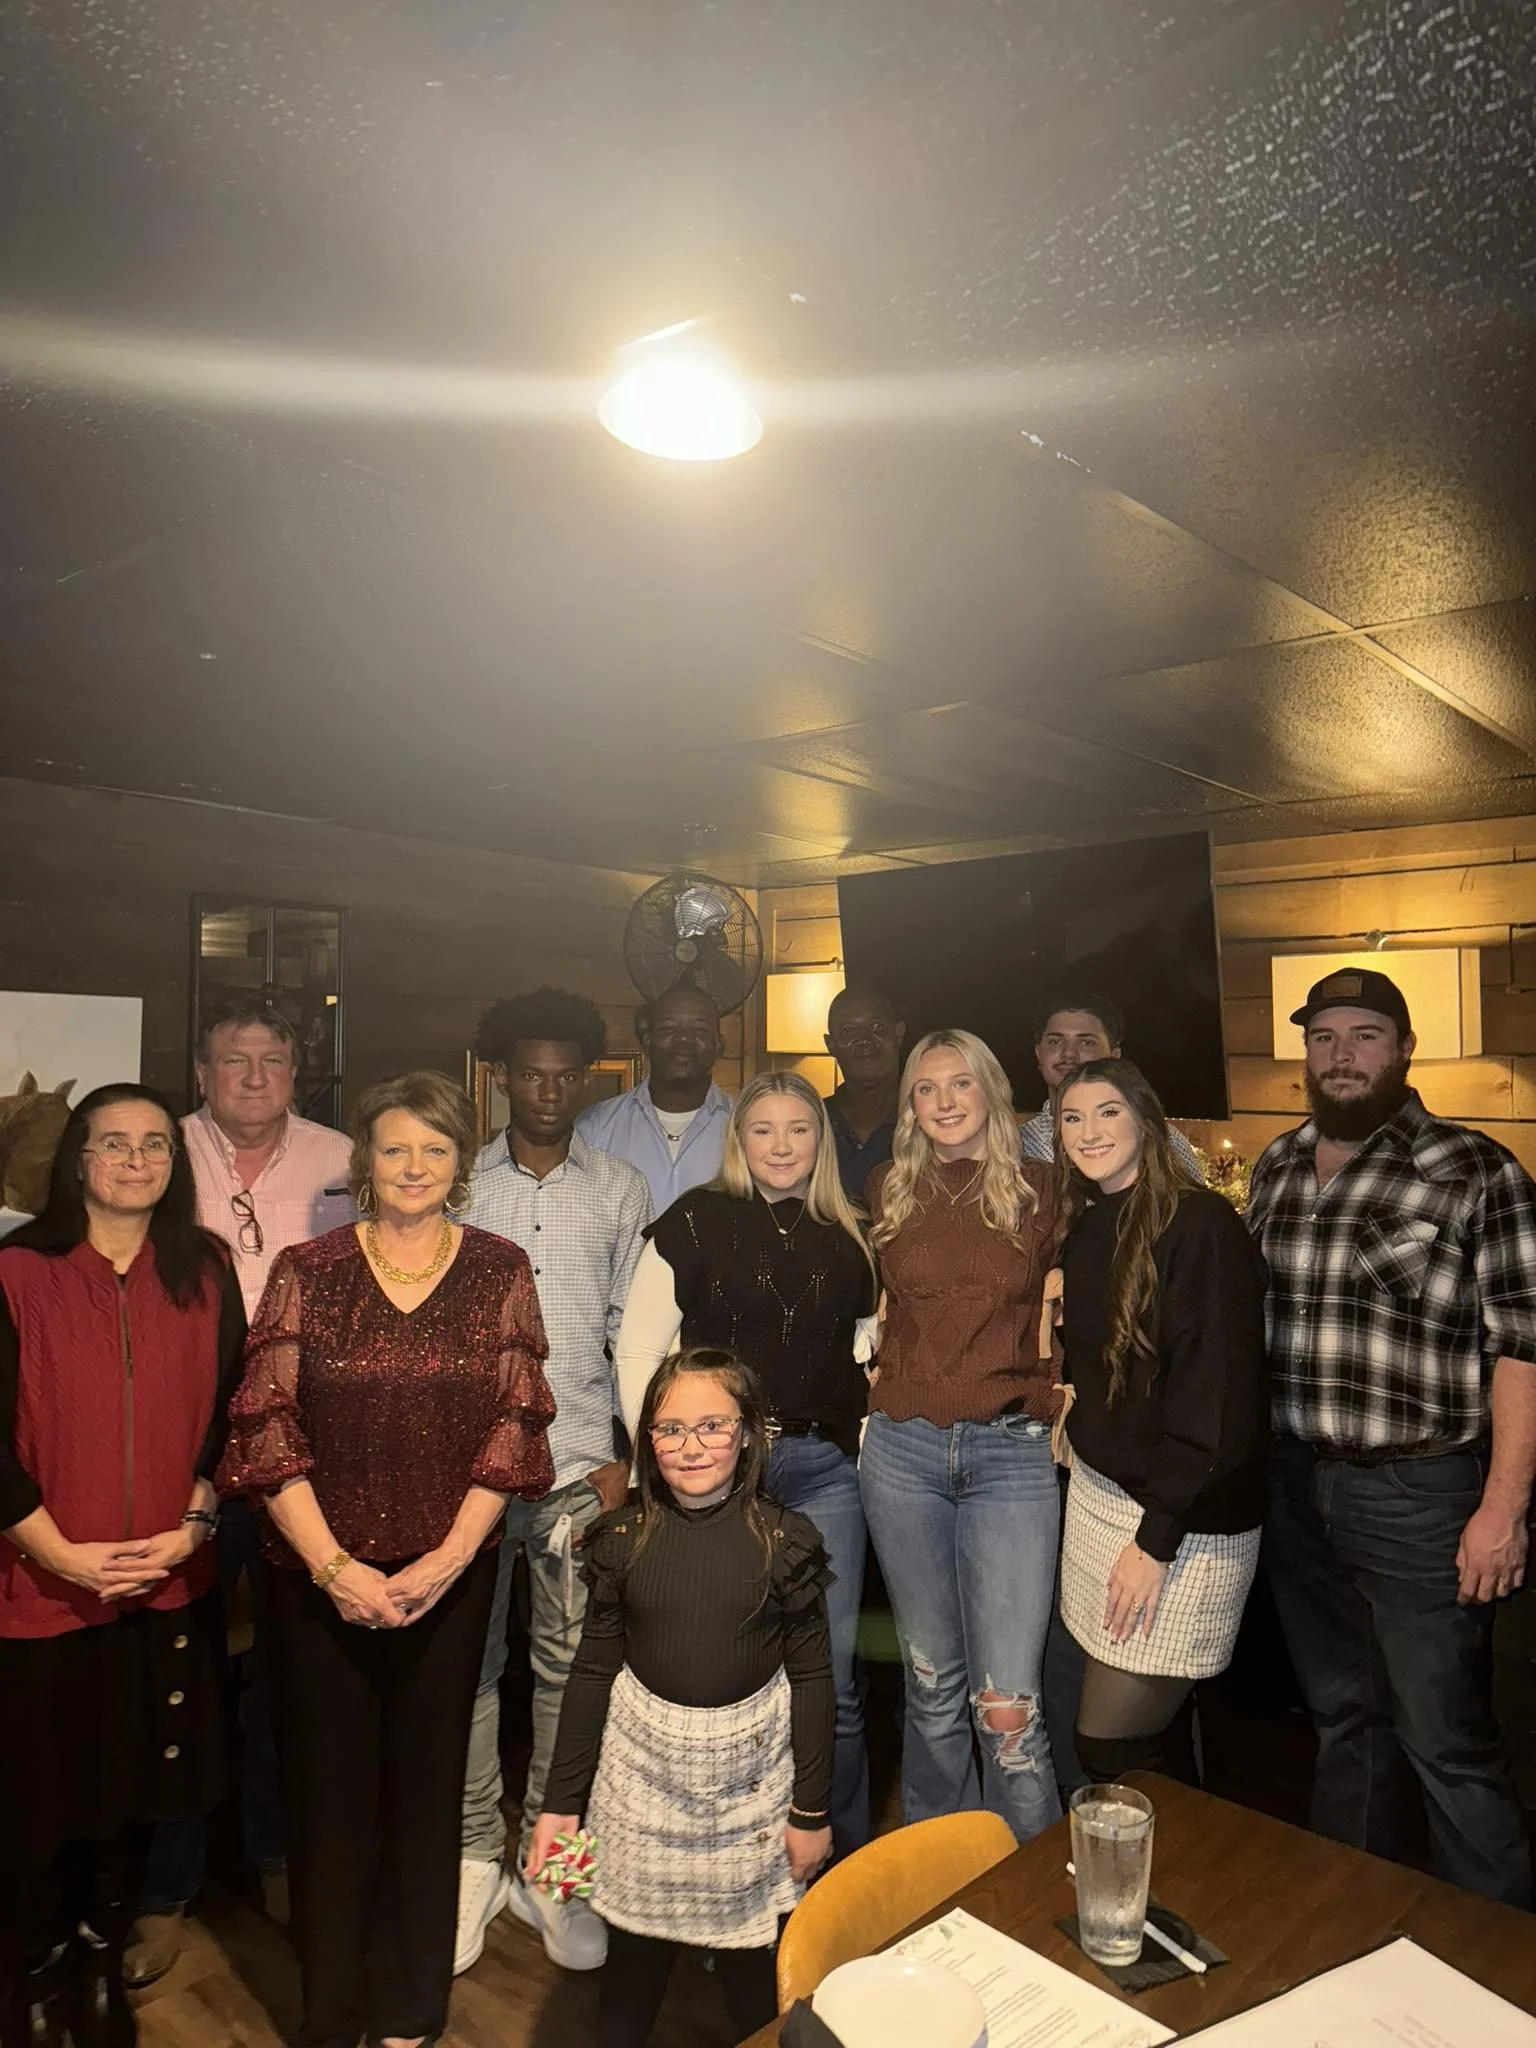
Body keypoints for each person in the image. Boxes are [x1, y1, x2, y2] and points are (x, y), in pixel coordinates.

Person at [218, 1071, 557, 2048]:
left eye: (436, 1148)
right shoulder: (307, 1268)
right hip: (317, 1582)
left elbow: (516, 1419)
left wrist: (450, 1557)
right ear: (367, 1159)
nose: (414, 1166)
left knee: (426, 1792)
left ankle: (411, 2008)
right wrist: (333, 1566)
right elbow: (267, 1425)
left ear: (461, 1164)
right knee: (327, 1803)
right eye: (396, 1146)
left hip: (447, 1579)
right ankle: (333, 2013)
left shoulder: (499, 1268)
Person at [1248, 967, 1535, 1907]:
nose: (1342, 1055)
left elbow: (1523, 1350)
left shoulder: (1475, 1171)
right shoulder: (1277, 1166)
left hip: (1419, 1495)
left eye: (1365, 1034)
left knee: (1446, 1741)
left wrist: (1504, 1508)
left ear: (1404, 1049)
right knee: (1342, 1720)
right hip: (1296, 1487)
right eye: (1324, 1036)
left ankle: (1503, 1968)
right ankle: (1354, 1922)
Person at [0, 1085, 245, 2048]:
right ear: (77, 1159)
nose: (137, 1160)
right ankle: (31, 1978)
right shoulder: (17, 1271)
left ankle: (100, 1968)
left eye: (154, 1145)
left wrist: (197, 1520)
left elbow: (234, 1415)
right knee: (37, 1796)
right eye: (114, 1144)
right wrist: (54, 1549)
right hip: (39, 1586)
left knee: (131, 1792)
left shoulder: (207, 1271)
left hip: (166, 1582)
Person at [130, 1004, 353, 1983]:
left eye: (272, 1058)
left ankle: (275, 1853)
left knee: (294, 1668)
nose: (253, 1075)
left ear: (297, 1068)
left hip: (310, 1457)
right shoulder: (156, 1154)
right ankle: (166, 1884)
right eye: (233, 1059)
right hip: (181, 1454)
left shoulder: (345, 1158)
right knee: (176, 1668)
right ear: (202, 1067)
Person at [530, 1348, 834, 2048]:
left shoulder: (785, 1543)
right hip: (639, 1801)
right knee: (626, 1990)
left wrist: (810, 1811)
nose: (690, 1446)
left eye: (712, 1426)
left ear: (751, 1432)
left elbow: (815, 1683)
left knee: (756, 1995)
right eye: (669, 1430)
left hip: (750, 1810)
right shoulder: (621, 1540)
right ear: (646, 1439)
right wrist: (559, 1808)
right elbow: (590, 1675)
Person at [614, 1072, 879, 1857]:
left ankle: (842, 1861)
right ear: (740, 1139)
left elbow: (871, 1350)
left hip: (828, 1475)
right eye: (763, 1129)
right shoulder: (695, 1221)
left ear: (819, 1139)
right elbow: (636, 1352)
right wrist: (655, 1467)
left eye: (798, 1129)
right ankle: (734, 1857)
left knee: (831, 1677)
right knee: (729, 1671)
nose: (781, 1145)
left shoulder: (854, 1231)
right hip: (724, 1473)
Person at [456, 990, 650, 1976]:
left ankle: (555, 1868)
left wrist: (626, 1453)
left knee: (575, 1679)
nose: (545, 1089)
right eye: (528, 1072)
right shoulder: (456, 1185)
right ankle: (473, 1858)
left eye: (563, 1074)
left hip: (578, 1468)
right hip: (465, 1479)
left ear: (586, 1078)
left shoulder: (618, 1187)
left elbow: (636, 1328)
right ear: (500, 1076)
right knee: (469, 1667)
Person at [859, 1028, 1062, 1841]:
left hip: (1008, 1456)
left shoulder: (1046, 1188)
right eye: (926, 1089)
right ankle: (936, 1880)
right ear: (911, 1104)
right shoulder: (888, 1187)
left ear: (990, 1092)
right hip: (901, 1453)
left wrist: (1053, 1398)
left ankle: (1036, 1892)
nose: (944, 1103)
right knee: (932, 1685)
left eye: (960, 1085)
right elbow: (884, 1309)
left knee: (1008, 1705)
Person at [1055, 1059, 1268, 1783]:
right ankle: (1161, 1892)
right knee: (1155, 1748)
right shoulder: (1090, 1227)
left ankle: (1158, 1886)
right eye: (1072, 1118)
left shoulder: (1200, 1225)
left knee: (1112, 1747)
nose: (1090, 1132)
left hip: (1180, 1521)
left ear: (1145, 1120)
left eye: (1107, 1112)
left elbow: (1219, 1408)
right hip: (1102, 1499)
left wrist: (1154, 1541)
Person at [575, 985, 732, 1215]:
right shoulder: (594, 1128)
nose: (683, 1040)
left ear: (720, 1045)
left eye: (699, 1030)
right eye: (669, 1028)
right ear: (647, 1042)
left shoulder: (745, 1126)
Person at [1019, 992, 1204, 1179]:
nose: (1069, 1053)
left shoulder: (1162, 1139)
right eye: (1055, 1041)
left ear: (1114, 1057)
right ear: (1038, 1053)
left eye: (1086, 1042)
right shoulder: (1017, 1146)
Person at [823, 985, 906, 1204]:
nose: (864, 1040)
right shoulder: (812, 1123)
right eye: (849, 1031)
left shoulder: (930, 1121)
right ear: (830, 1045)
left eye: (876, 1027)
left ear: (898, 1033)